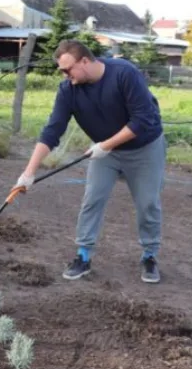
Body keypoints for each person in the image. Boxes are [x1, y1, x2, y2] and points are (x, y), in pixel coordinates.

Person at [13, 39, 167, 284]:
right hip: (105, 153)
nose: (65, 76)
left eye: (67, 69)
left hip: (144, 149)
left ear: (84, 60)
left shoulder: (124, 74)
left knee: (148, 203)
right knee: (92, 199)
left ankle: (149, 256)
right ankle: (83, 256)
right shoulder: (68, 90)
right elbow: (52, 131)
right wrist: (28, 173)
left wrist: (105, 145)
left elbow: (143, 119)